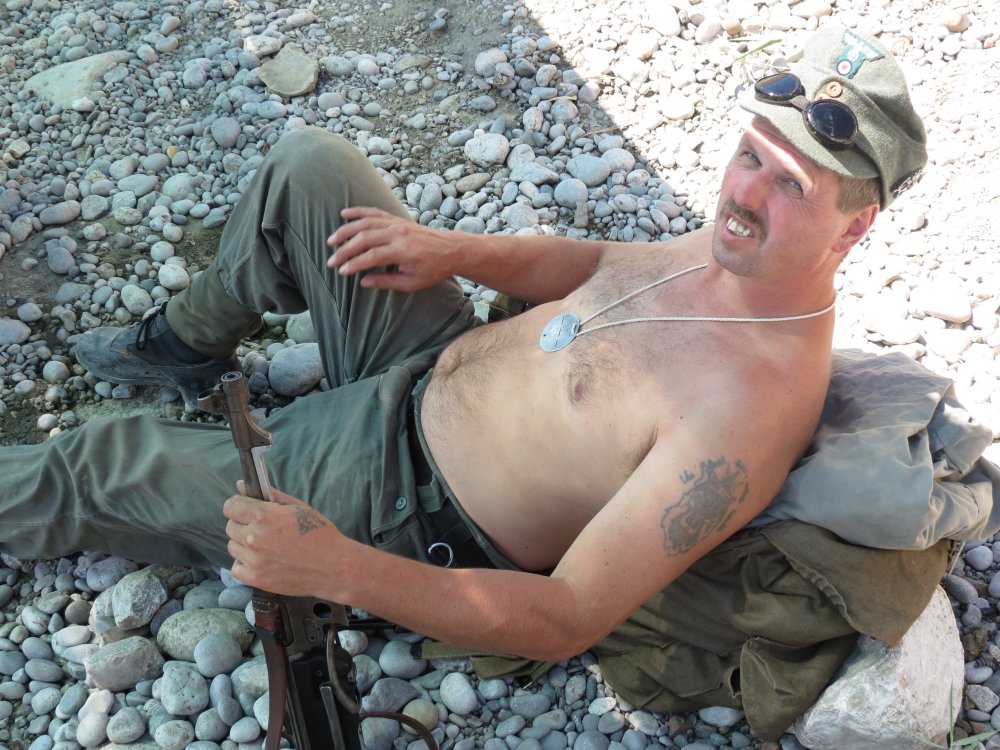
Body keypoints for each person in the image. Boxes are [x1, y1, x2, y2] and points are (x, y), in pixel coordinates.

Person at [3, 24, 926, 666]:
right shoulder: (736, 248)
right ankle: (184, 343)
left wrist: (334, 566)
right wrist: (449, 250)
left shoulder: (747, 415)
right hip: (423, 362)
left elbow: (568, 617)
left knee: (101, 462)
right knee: (314, 167)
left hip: (397, 502)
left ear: (855, 228)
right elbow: (599, 264)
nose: (746, 194)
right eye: (751, 153)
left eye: (791, 185)